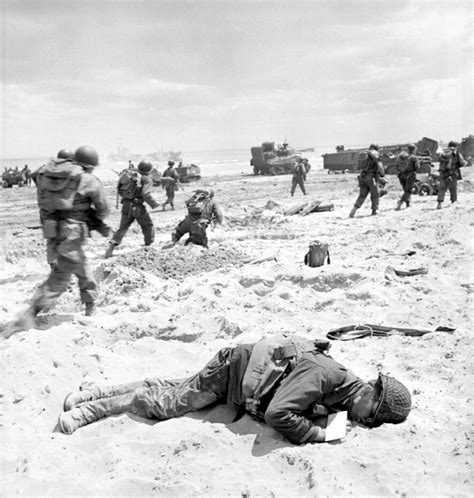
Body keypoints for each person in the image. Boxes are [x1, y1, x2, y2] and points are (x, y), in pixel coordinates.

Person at [57, 334, 412, 443]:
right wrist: (317, 435)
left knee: (170, 386)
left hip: (237, 371)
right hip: (231, 374)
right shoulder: (328, 376)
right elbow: (278, 414)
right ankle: (90, 409)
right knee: (165, 405)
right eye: (371, 419)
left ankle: (92, 392)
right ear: (369, 394)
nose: (365, 424)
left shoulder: (345, 390)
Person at [9, 146, 110, 335]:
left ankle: (90, 305)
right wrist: (91, 214)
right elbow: (104, 209)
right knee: (61, 277)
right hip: (72, 232)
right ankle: (30, 314)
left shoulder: (46, 174)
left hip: (51, 228)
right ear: (90, 164)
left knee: (80, 264)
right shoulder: (88, 179)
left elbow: (34, 174)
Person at [31, 149, 76, 269]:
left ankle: (53, 264)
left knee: (51, 239)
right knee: (65, 238)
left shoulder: (44, 169)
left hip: (46, 212)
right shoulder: (69, 170)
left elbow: (33, 175)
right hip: (62, 212)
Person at [105, 160, 159, 258]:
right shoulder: (146, 179)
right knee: (148, 226)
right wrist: (154, 204)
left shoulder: (132, 176)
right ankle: (149, 246)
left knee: (123, 227)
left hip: (126, 204)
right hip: (137, 206)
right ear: (149, 169)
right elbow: (145, 193)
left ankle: (111, 246)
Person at [349, 144, 385, 218]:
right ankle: (374, 211)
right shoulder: (375, 154)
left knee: (362, 195)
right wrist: (382, 176)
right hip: (371, 178)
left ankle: (354, 209)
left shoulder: (364, 154)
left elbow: (359, 167)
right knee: (375, 194)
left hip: (362, 177)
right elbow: (379, 165)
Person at [436, 141, 467, 209]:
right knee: (453, 187)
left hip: (443, 172)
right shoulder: (456, 152)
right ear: (455, 146)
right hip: (452, 172)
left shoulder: (443, 152)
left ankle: (439, 203)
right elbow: (462, 162)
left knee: (442, 188)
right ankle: (453, 201)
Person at [395, 144, 420, 210]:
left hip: (401, 175)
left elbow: (397, 166)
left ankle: (408, 204)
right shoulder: (414, 157)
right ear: (413, 150)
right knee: (408, 191)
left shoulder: (400, 156)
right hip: (410, 175)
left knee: (405, 190)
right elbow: (417, 167)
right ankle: (400, 202)